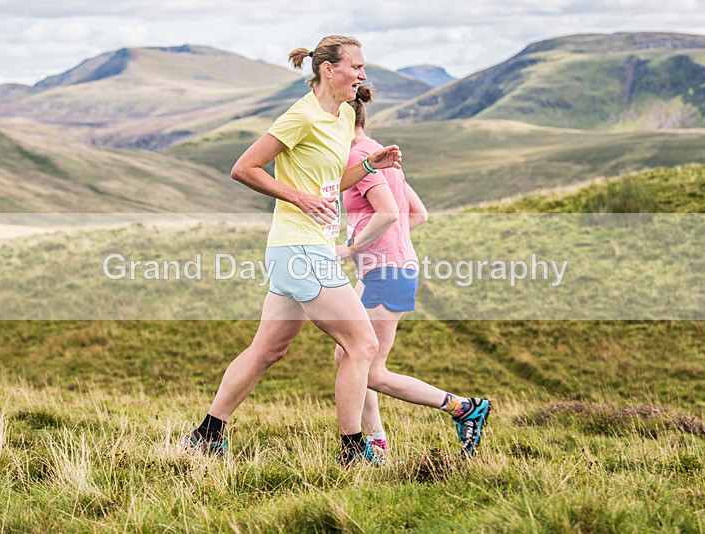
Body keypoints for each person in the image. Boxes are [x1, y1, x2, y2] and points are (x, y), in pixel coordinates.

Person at [184, 36, 402, 466]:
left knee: (267, 351)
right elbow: (244, 168)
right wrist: (297, 197)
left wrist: (368, 166)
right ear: (328, 70)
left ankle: (206, 436)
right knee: (362, 345)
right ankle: (353, 452)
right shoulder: (300, 116)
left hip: (304, 249)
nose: (362, 74)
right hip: (300, 250)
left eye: (363, 67)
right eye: (356, 66)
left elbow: (327, 184)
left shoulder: (343, 116)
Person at [334, 85, 491, 459]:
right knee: (348, 357)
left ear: (342, 117)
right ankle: (376, 444)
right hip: (387, 269)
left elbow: (389, 213)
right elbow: (417, 214)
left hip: (387, 272)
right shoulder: (378, 154)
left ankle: (464, 408)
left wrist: (352, 247)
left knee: (370, 369)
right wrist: (378, 243)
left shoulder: (359, 156)